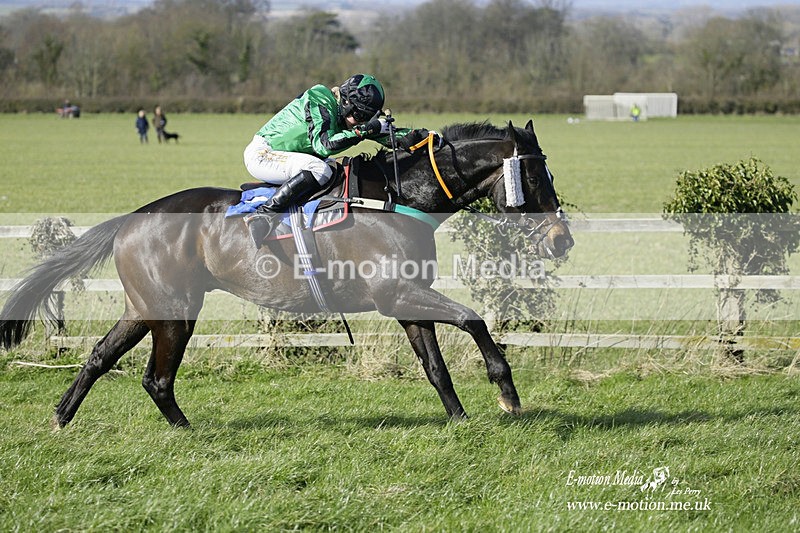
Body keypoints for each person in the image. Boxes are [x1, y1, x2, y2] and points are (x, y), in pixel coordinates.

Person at [242, 73, 429, 246]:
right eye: (360, 115)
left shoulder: (350, 115)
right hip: (263, 154)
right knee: (320, 169)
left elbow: (389, 136)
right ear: (346, 103)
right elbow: (324, 145)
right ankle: (264, 215)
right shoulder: (319, 98)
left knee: (334, 169)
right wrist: (365, 130)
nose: (361, 121)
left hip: (293, 158)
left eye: (367, 117)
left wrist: (425, 138)